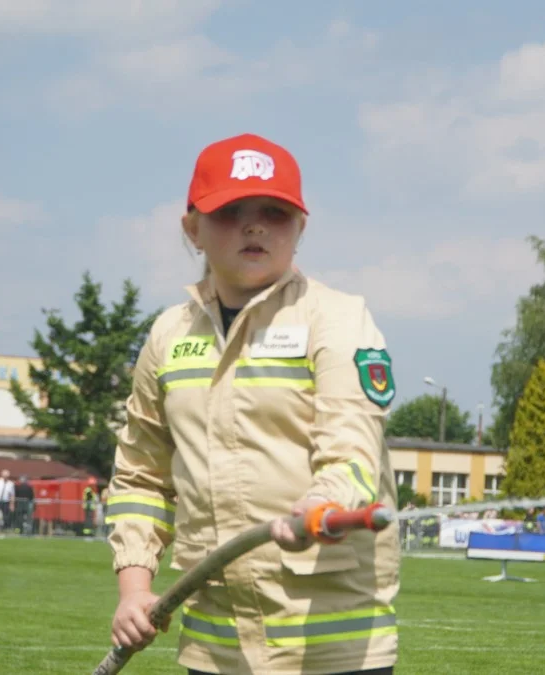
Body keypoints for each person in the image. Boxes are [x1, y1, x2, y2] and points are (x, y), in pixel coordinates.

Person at [106, 132, 400, 675]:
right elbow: (141, 480)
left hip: (334, 650)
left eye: (275, 211)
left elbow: (352, 453)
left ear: (301, 227)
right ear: (191, 228)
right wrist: (134, 587)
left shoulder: (337, 318)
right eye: (230, 211)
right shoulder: (167, 336)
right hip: (213, 649)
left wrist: (319, 504)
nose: (255, 224)